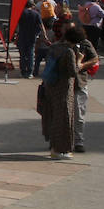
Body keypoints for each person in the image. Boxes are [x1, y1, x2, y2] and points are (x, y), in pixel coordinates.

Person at [41, 28, 80, 160]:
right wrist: (80, 61)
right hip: (63, 87)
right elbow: (73, 72)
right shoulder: (69, 51)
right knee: (64, 119)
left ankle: (53, 146)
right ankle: (60, 150)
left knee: (52, 116)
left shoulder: (54, 47)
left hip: (51, 85)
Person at [68, 24, 97, 154]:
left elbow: (95, 58)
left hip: (80, 83)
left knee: (79, 114)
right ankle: (62, 140)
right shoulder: (62, 44)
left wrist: (82, 64)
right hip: (65, 84)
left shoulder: (85, 44)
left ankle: (78, 141)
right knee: (63, 114)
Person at [16, 0, 42, 78]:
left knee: (22, 54)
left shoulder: (21, 13)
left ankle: (23, 71)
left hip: (22, 35)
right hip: (32, 36)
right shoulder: (36, 14)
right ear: (32, 5)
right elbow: (40, 26)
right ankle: (30, 72)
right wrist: (37, 34)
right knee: (30, 54)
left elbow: (17, 25)